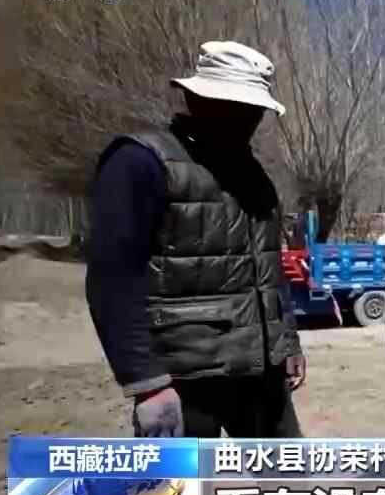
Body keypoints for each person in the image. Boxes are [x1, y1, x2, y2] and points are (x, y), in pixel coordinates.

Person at [86, 41, 305, 439]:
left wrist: (287, 341)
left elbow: (270, 271)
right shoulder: (141, 162)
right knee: (179, 482)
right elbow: (113, 278)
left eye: (253, 110)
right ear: (195, 99)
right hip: (182, 379)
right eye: (233, 106)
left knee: (286, 476)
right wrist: (146, 382)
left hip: (260, 375)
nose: (246, 119)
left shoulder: (254, 175)